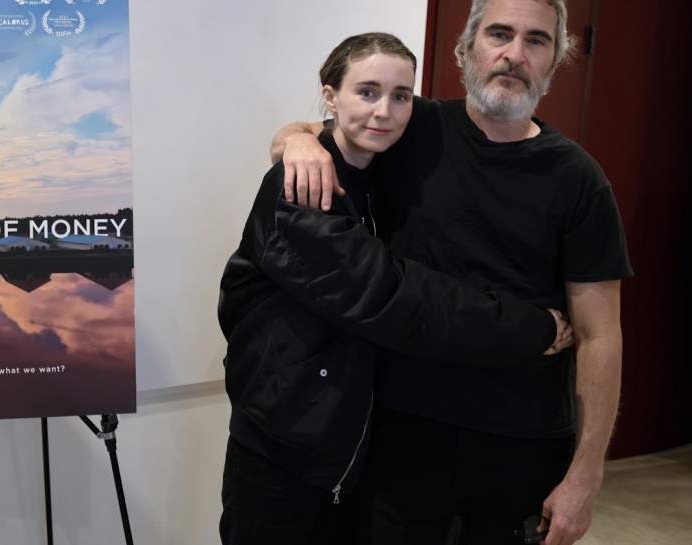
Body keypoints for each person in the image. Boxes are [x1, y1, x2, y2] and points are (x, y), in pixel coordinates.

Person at [271, 0, 631, 545]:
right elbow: (330, 125)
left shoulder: (579, 180)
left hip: (523, 441)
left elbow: (600, 335)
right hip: (400, 432)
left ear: (553, 62)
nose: (514, 54)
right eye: (499, 34)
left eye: (536, 41)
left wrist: (585, 478)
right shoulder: (412, 130)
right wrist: (295, 141)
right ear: (465, 50)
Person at [219, 32, 574, 545]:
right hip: (281, 446)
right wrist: (532, 327)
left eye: (401, 95)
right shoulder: (299, 190)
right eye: (366, 92)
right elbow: (393, 295)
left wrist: (296, 133)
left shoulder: (381, 170)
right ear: (330, 97)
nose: (384, 111)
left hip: (347, 447)